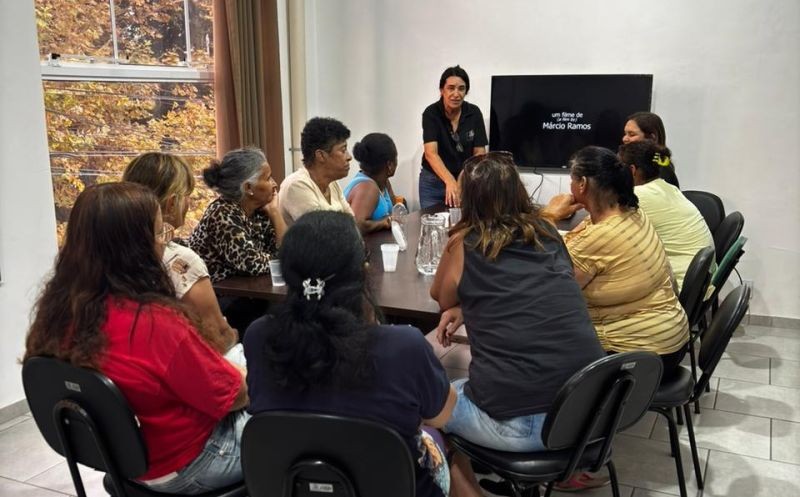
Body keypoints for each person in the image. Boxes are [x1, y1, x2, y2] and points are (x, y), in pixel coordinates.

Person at [24, 183, 248, 494]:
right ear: (136, 249)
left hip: (119, 462)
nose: (164, 243)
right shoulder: (156, 323)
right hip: (188, 464)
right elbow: (236, 396)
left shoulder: (56, 314)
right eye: (159, 233)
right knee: (285, 427)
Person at [243, 211, 457, 497]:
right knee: (436, 439)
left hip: (292, 488)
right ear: (363, 272)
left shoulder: (258, 336)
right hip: (396, 488)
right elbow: (443, 415)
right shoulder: (404, 346)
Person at [430, 152, 606, 496]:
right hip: (586, 415)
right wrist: (468, 304)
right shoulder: (548, 233)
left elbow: (440, 295)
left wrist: (461, 301)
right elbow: (541, 286)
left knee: (425, 403)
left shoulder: (464, 243)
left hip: (521, 428)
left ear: (469, 199)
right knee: (467, 386)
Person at [546, 146, 689, 378]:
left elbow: (554, 292)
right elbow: (580, 240)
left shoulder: (598, 238)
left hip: (641, 357)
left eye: (572, 180)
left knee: (539, 340)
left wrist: (549, 215)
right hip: (669, 340)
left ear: (582, 184)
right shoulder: (632, 212)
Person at [123, 152, 238, 357]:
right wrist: (234, 335)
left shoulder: (106, 253)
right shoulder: (181, 260)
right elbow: (218, 337)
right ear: (171, 203)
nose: (189, 204)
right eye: (187, 196)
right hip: (185, 363)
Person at [619, 140, 716, 290]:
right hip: (699, 284)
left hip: (678, 287)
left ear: (632, 170)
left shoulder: (638, 194)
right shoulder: (669, 188)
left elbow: (598, 225)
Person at [189, 147, 286, 283]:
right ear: (248, 188)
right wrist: (283, 259)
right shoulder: (222, 213)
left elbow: (287, 250)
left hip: (246, 288)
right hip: (216, 289)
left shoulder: (260, 210)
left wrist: (275, 212)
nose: (274, 184)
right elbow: (253, 265)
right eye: (268, 178)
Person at [279, 117, 386, 234]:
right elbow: (323, 234)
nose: (349, 157)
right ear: (321, 155)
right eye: (343, 150)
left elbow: (353, 225)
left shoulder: (332, 183)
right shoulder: (297, 185)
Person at [419, 65, 488, 209]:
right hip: (433, 182)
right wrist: (450, 181)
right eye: (451, 88)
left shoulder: (474, 113)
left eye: (461, 89)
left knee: (463, 221)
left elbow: (480, 153)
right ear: (442, 90)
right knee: (432, 221)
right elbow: (431, 153)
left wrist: (463, 178)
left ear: (466, 91)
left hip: (466, 180)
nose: (456, 94)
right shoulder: (431, 113)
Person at [343, 132, 399, 232]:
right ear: (390, 165)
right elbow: (357, 226)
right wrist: (383, 223)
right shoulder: (367, 188)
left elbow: (394, 213)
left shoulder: (383, 182)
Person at [622, 111, 680, 187]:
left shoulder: (661, 171)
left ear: (652, 138)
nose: (624, 139)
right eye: (625, 134)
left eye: (632, 134)